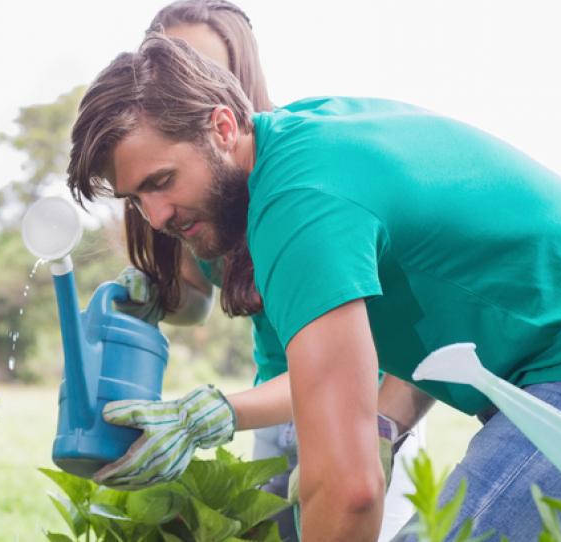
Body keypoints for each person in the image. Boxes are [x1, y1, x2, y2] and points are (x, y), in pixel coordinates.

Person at [66, 33, 561, 541]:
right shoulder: (289, 150)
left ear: (221, 127)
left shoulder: (302, 202)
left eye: (161, 182)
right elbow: (325, 383)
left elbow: (350, 487)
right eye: (135, 197)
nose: (156, 214)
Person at [113, 2, 422, 540]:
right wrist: (155, 299)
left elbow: (384, 340)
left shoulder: (295, 181)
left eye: (201, 65)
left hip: (360, 402)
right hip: (271, 405)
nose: (186, 80)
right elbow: (198, 298)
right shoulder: (188, 186)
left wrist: (388, 421)